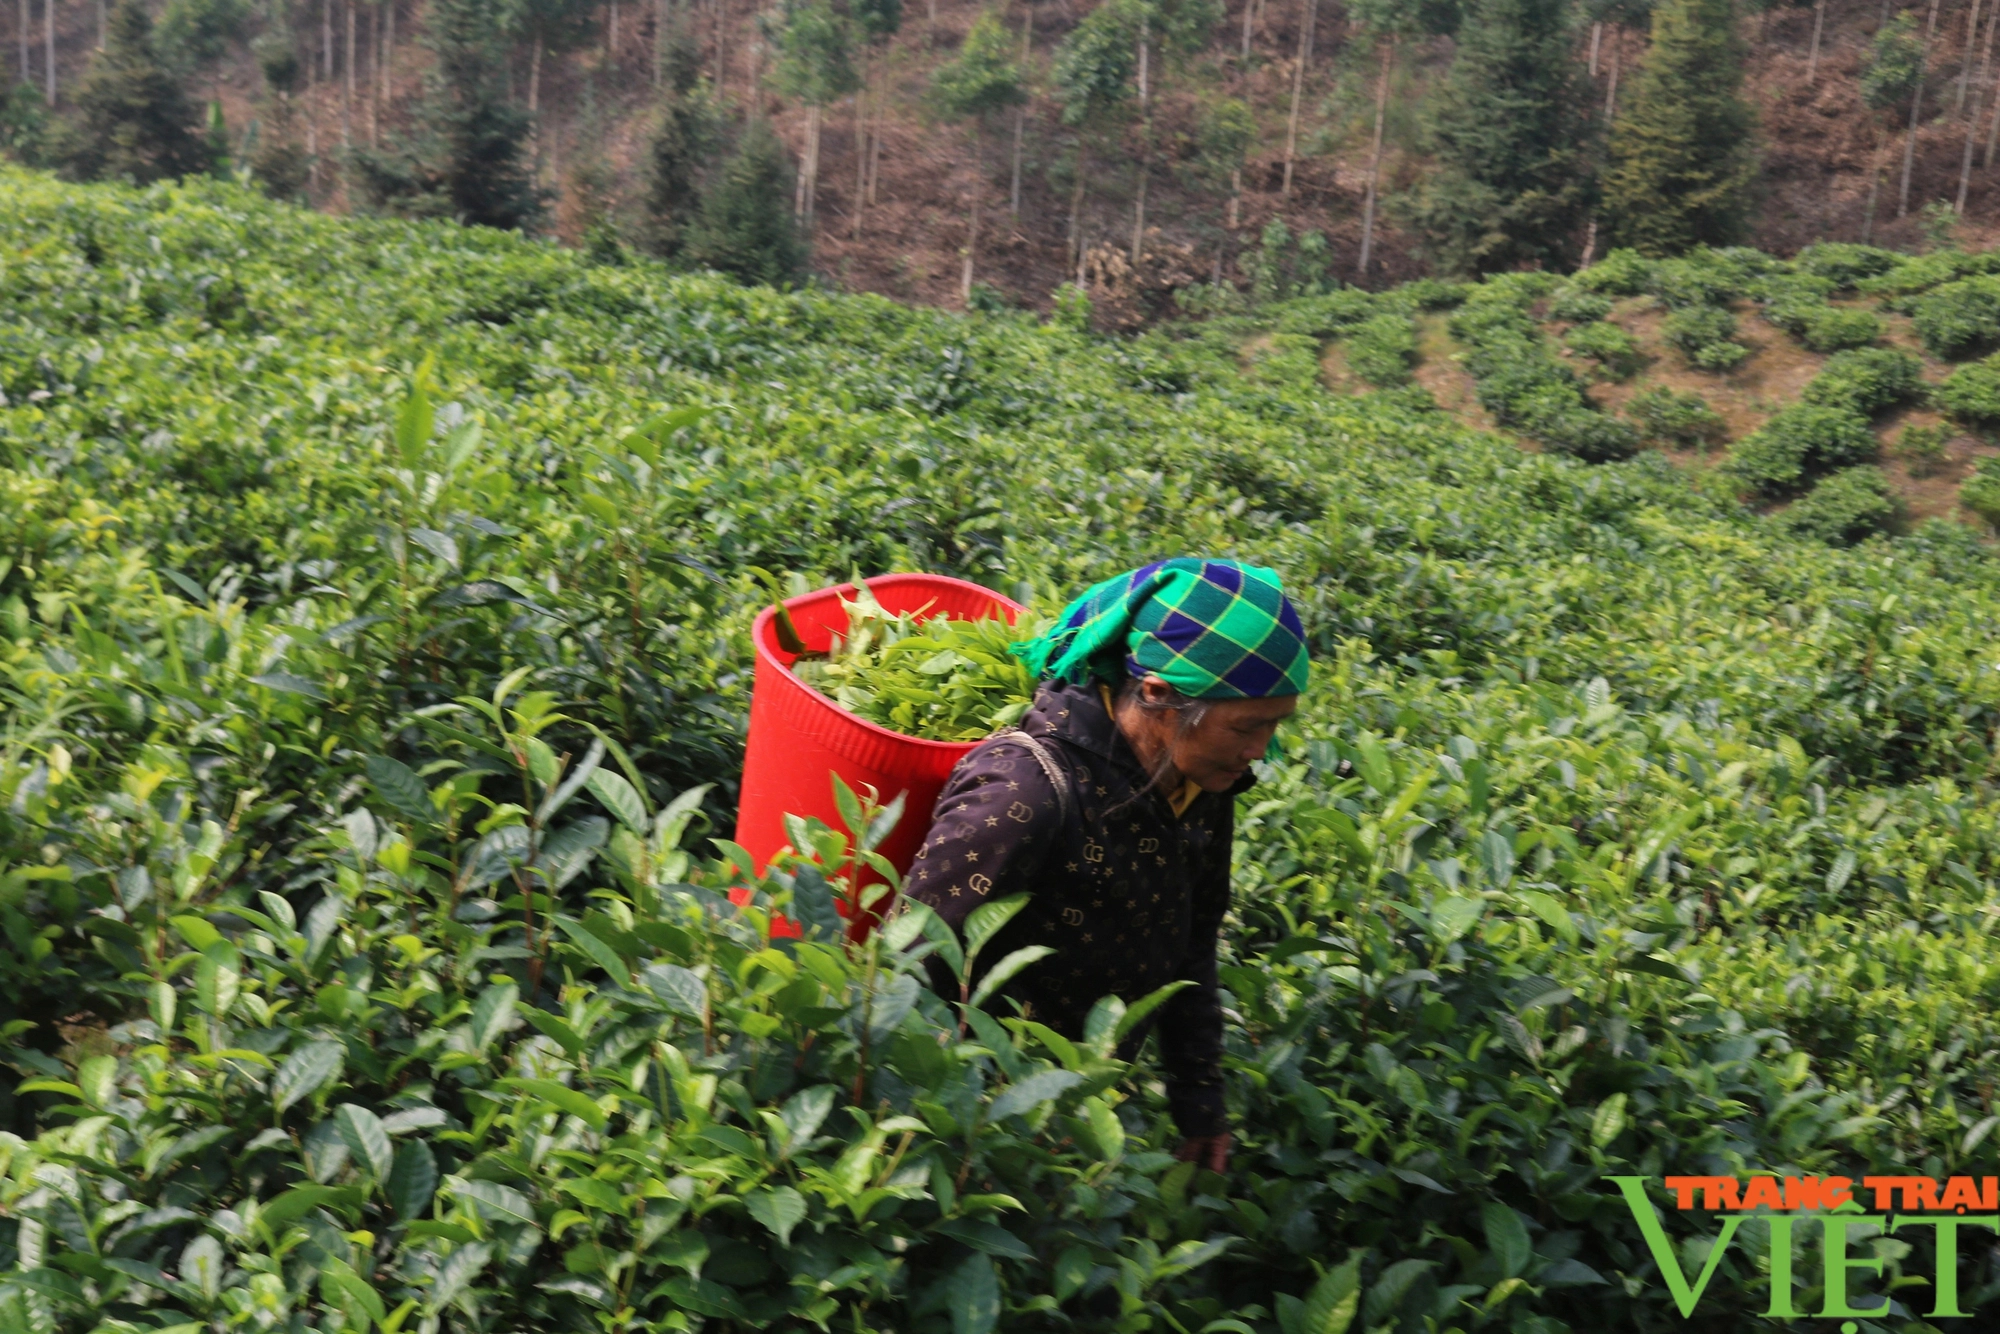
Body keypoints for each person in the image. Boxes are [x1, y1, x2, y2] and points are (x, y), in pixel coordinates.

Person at [901, 557, 1309, 1173]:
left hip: (1075, 1112)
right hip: (975, 1124)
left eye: (1276, 725)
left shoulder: (1202, 782)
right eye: (1247, 727)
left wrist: (1199, 1098)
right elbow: (910, 974)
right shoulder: (1026, 793)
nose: (1260, 751)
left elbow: (1192, 940)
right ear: (1158, 695)